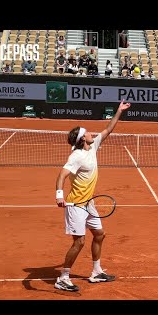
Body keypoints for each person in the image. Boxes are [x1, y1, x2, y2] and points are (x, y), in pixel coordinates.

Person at [54, 99, 131, 292]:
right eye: (87, 132)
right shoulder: (76, 156)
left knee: (99, 234)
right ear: (82, 139)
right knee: (79, 241)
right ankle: (63, 277)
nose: (91, 133)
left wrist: (119, 111)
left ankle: (96, 272)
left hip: (89, 204)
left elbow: (108, 129)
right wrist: (59, 195)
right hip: (76, 204)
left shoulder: (93, 146)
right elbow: (61, 175)